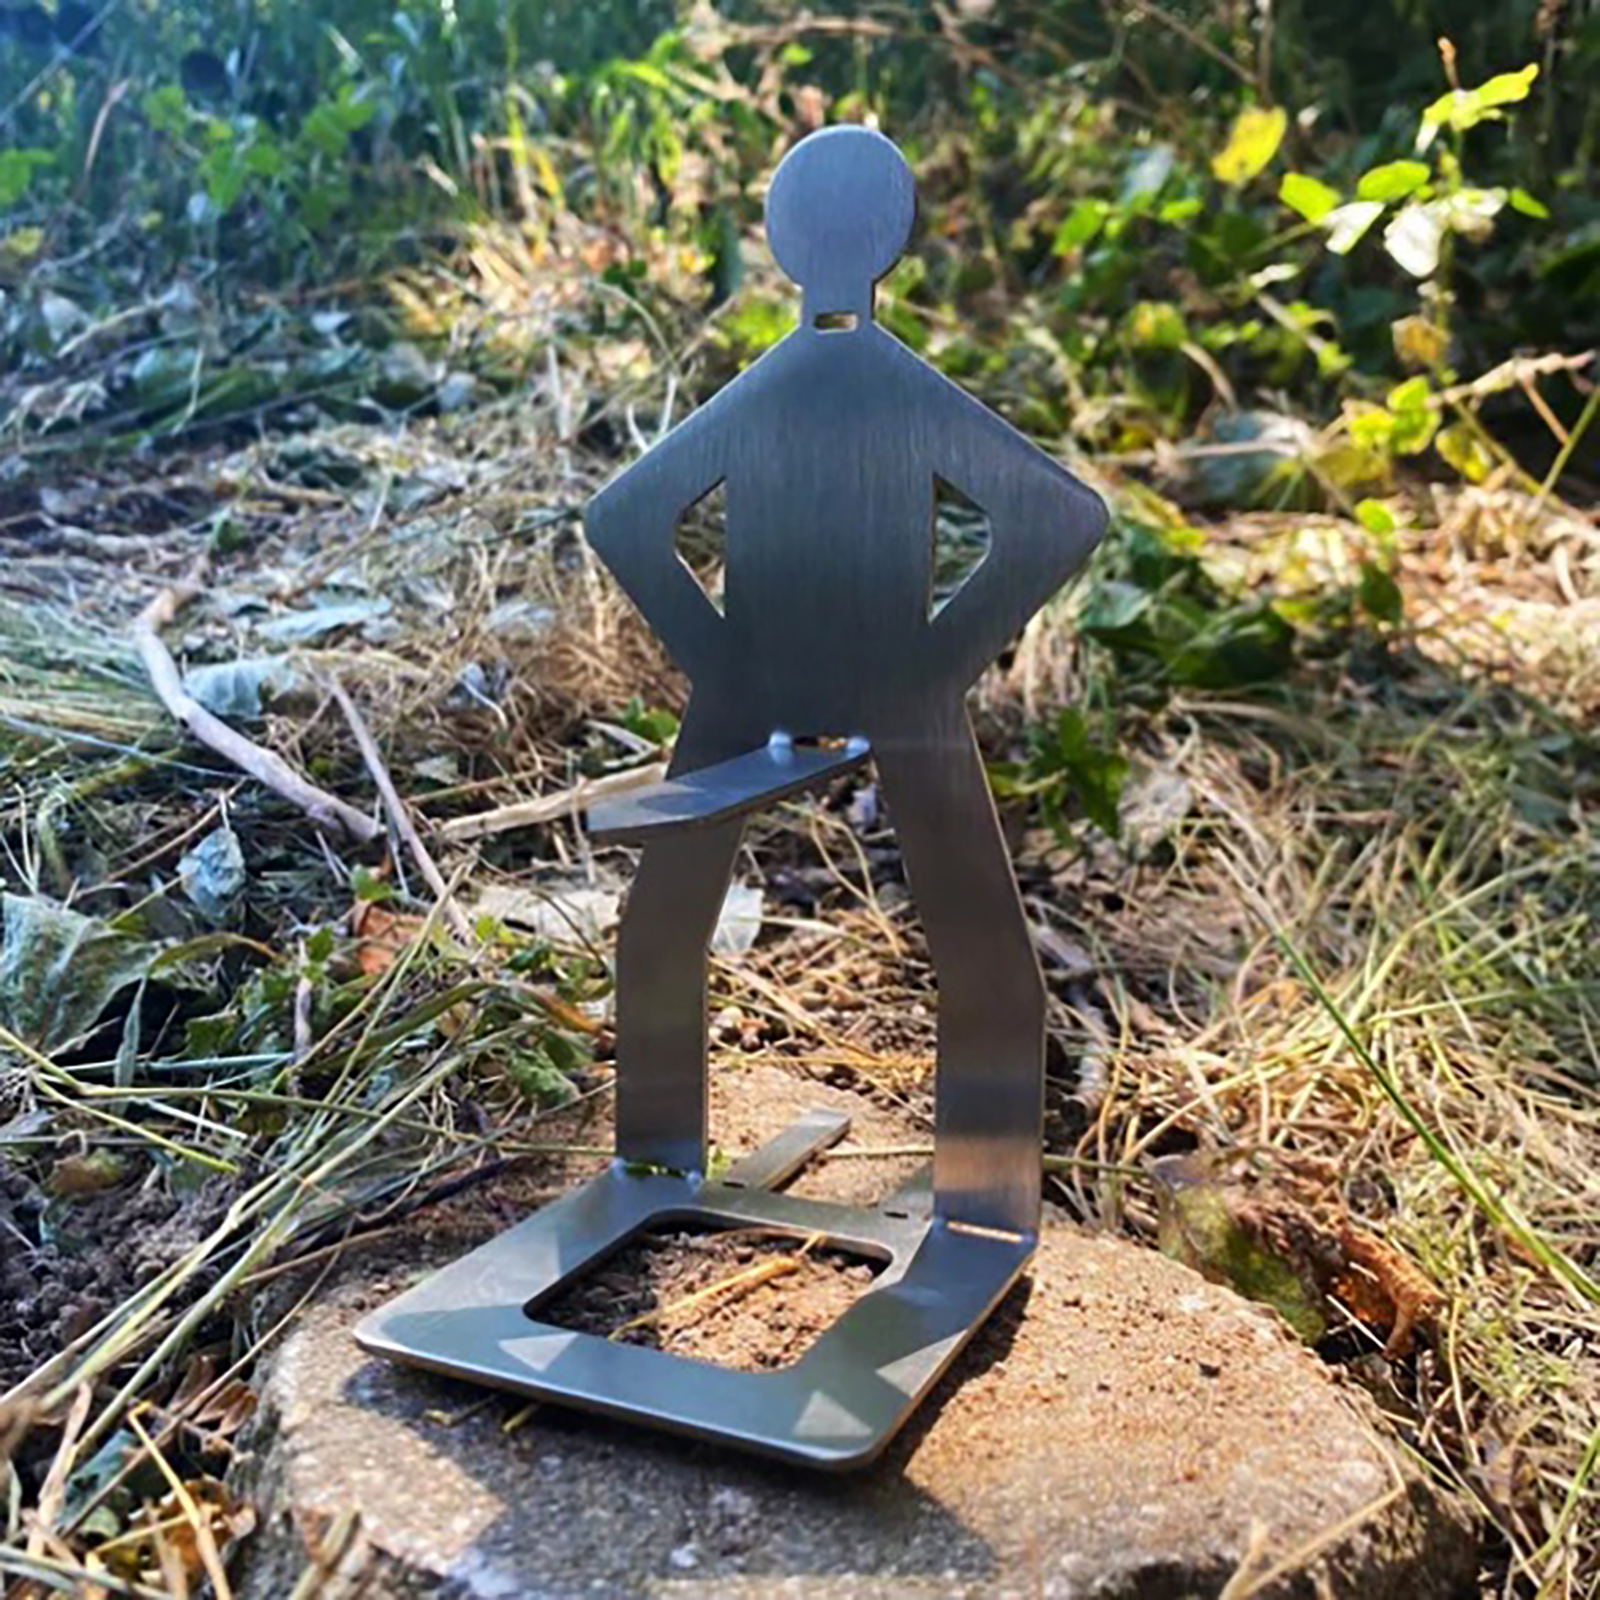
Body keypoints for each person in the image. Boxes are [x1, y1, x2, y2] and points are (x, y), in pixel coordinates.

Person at [585, 125, 1107, 1234]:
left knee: (668, 913)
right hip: (880, 689)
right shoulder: (885, 387)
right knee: (972, 934)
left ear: (787, 244)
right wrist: (934, 660)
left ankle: (963, 1198)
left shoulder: (775, 389)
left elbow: (628, 520)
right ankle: (966, 1190)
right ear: (887, 241)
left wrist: (719, 654)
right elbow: (1050, 519)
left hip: (762, 687)